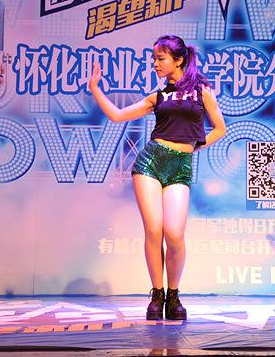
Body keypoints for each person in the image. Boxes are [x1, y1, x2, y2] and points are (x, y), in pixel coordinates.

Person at [89, 35, 226, 321]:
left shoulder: (202, 91)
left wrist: (194, 147)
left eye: (160, 59)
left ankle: (174, 295)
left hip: (180, 166)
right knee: (154, 230)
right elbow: (117, 115)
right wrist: (95, 89)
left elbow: (219, 129)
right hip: (150, 163)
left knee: (174, 234)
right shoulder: (158, 97)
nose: (155, 64)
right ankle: (157, 294)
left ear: (179, 60)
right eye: (154, 59)